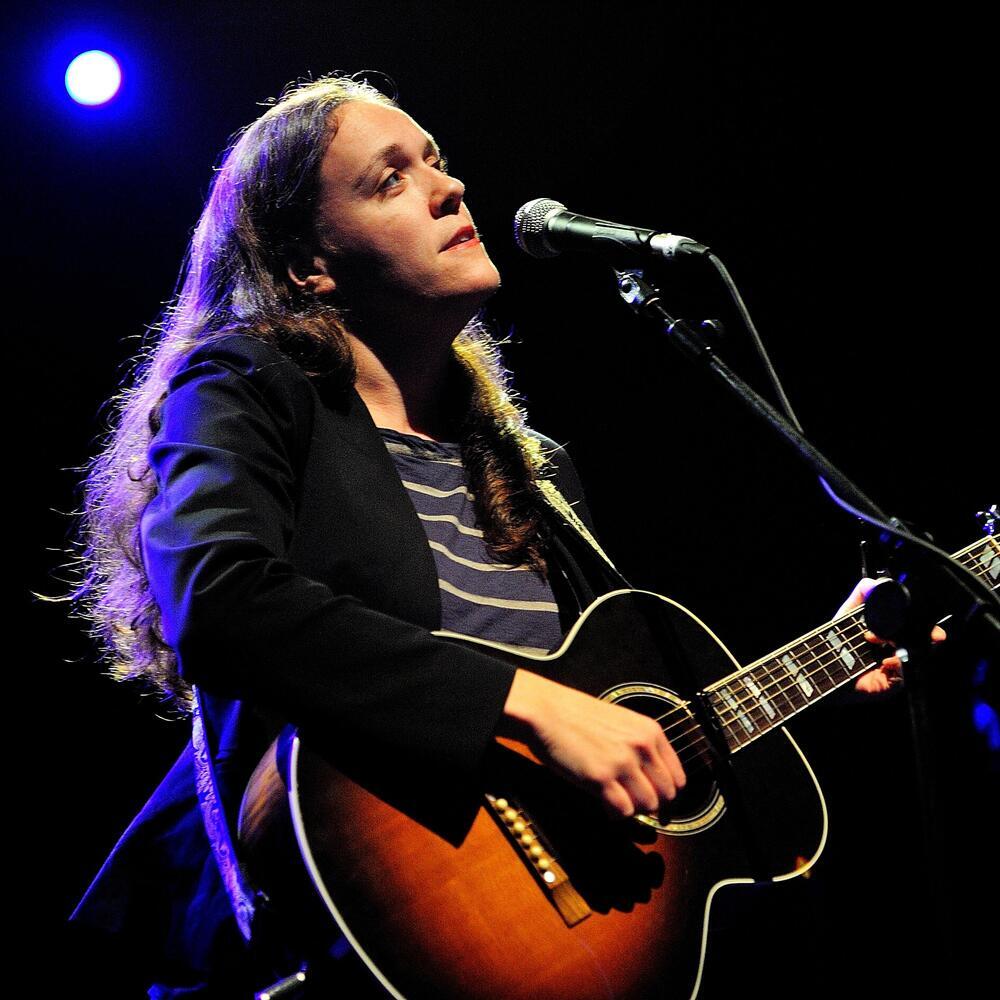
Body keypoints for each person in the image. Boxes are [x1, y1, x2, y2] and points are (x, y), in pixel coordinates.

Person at [68, 74, 912, 997]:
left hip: (545, 941)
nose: (450, 188)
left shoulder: (533, 469)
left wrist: (835, 661)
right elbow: (218, 595)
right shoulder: (244, 384)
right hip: (318, 920)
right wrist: (528, 705)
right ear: (309, 263)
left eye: (437, 161)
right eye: (390, 179)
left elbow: (624, 731)